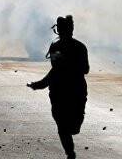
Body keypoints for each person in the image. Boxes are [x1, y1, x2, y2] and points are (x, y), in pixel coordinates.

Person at [27, 16, 89, 159]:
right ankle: (70, 153)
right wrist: (40, 84)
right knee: (62, 126)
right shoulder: (58, 47)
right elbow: (55, 70)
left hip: (75, 92)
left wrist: (68, 64)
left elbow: (85, 69)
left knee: (72, 127)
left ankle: (70, 150)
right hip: (60, 92)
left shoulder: (79, 47)